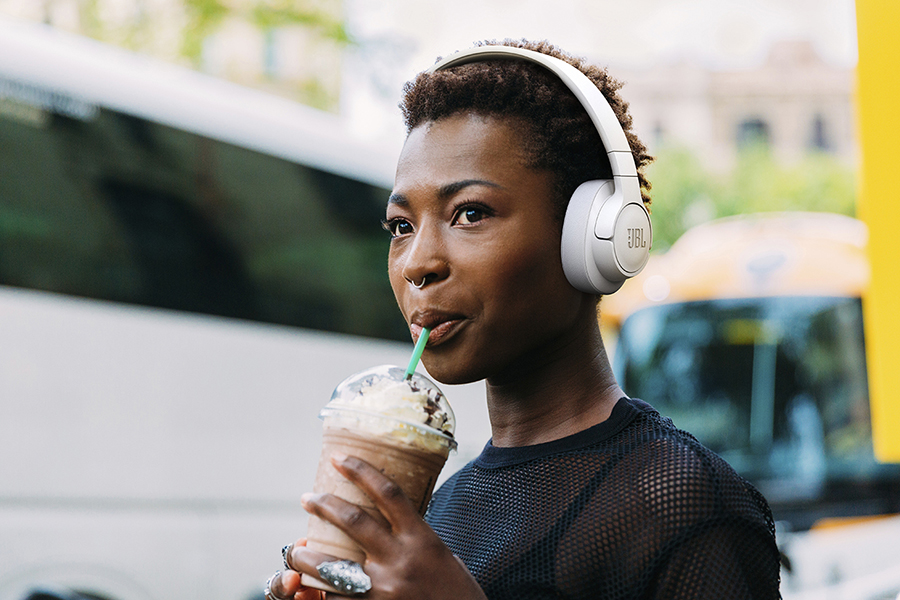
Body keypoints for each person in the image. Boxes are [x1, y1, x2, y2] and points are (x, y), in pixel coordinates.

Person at [267, 38, 782, 600]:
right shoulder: (440, 506)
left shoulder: (687, 506)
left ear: (590, 237)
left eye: (469, 214)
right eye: (400, 226)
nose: (417, 263)